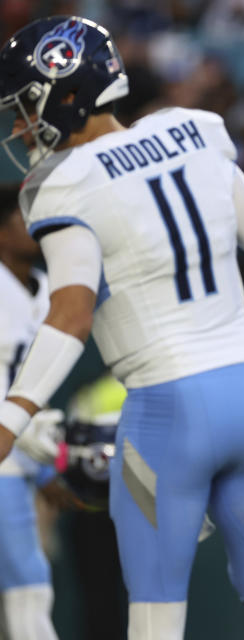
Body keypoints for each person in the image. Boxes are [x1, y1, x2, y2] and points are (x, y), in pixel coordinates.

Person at [0, 16, 244, 640]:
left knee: (156, 621)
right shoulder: (193, 136)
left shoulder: (66, 188)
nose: (19, 126)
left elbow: (70, 315)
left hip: (168, 409)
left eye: (26, 105)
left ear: (65, 94)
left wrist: (10, 419)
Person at [0, 184, 66, 639]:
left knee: (30, 586)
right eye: (24, 219)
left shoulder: (50, 290)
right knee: (27, 584)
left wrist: (47, 467)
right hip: (6, 455)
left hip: (22, 454)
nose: (35, 228)